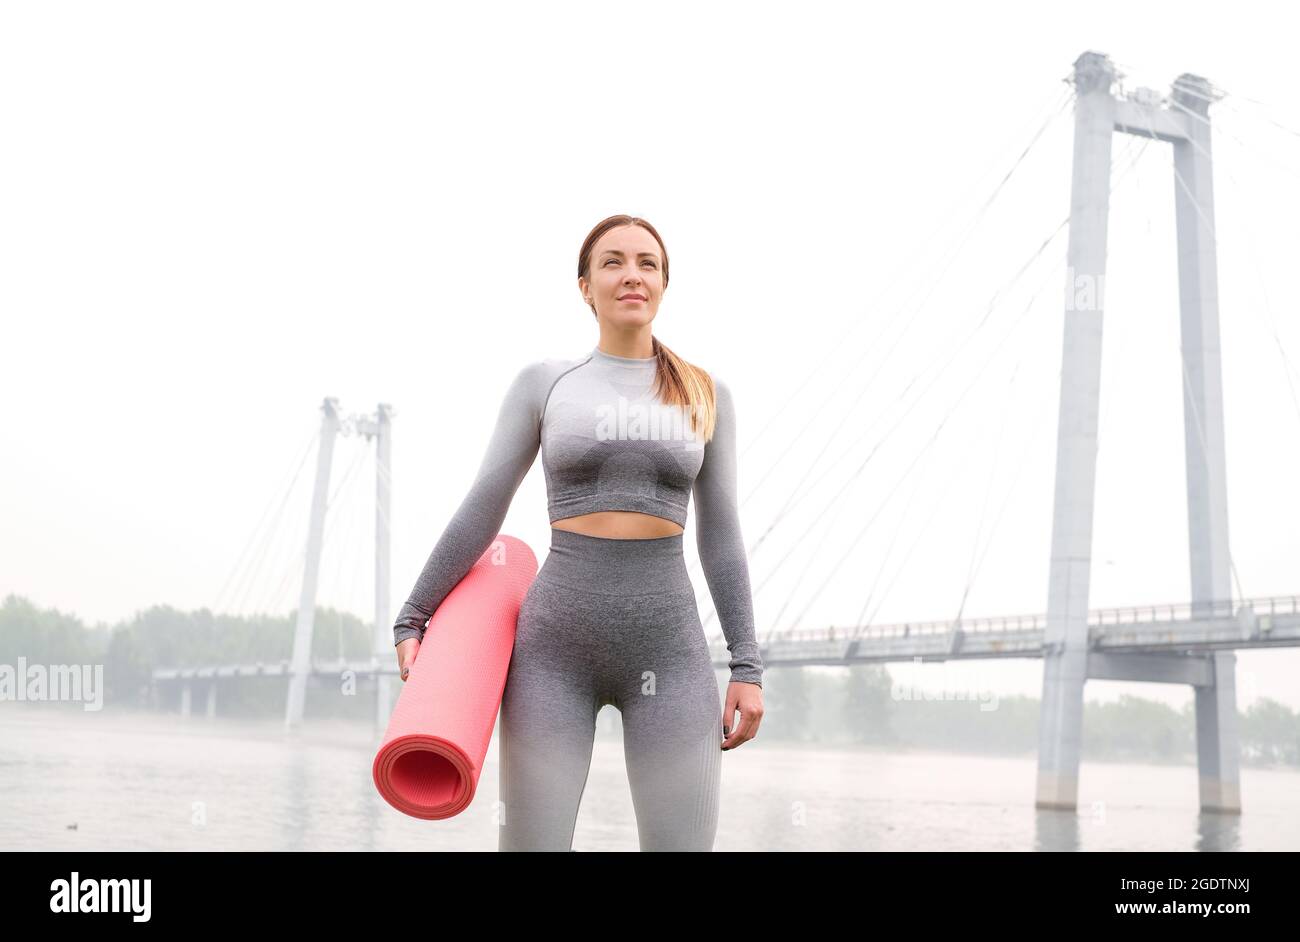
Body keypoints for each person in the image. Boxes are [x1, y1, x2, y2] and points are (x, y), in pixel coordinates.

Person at [392, 214, 764, 851]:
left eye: (647, 263)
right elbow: (485, 504)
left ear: (665, 284)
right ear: (585, 286)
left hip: (670, 655)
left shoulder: (706, 394)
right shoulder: (545, 385)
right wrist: (414, 616)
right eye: (613, 262)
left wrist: (747, 664)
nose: (632, 275)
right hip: (552, 654)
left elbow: (721, 534)